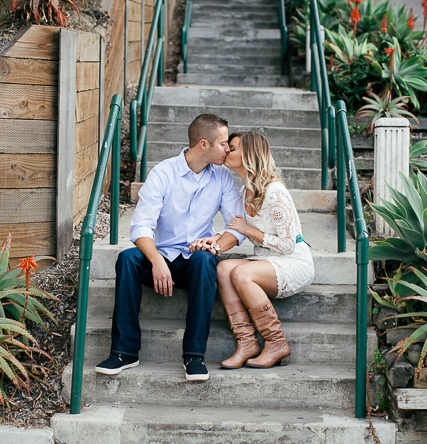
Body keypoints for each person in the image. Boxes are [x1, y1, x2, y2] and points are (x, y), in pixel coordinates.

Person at [95, 114, 246, 382]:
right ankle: (124, 352)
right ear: (204, 144)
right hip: (161, 258)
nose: (228, 149)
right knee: (127, 259)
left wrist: (216, 243)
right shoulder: (163, 173)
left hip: (194, 264)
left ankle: (194, 356)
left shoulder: (223, 178)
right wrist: (156, 260)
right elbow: (141, 226)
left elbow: (237, 226)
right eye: (223, 144)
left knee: (205, 260)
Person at [192, 131, 314, 369]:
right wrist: (210, 240)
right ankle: (246, 341)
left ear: (249, 155)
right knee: (224, 268)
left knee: (241, 274)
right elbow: (233, 228)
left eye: (233, 148)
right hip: (267, 259)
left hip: (293, 262)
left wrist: (248, 230)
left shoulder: (274, 192)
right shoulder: (244, 191)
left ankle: (276, 342)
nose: (227, 151)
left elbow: (289, 244)